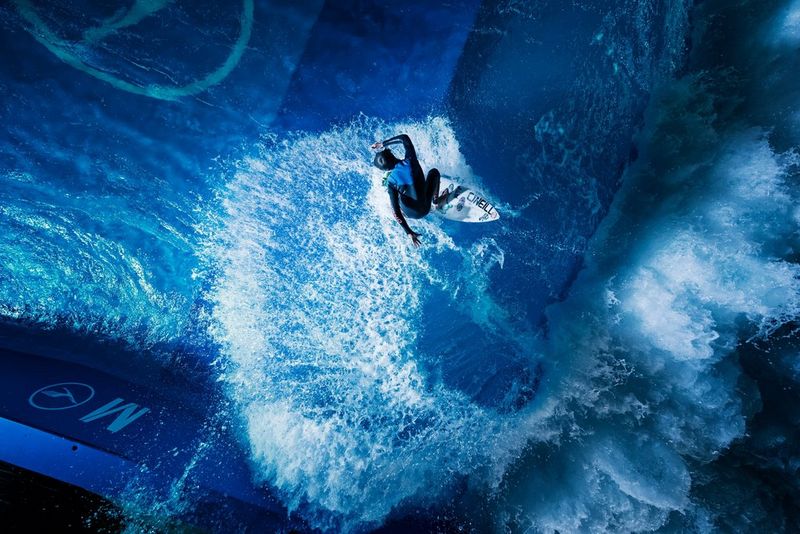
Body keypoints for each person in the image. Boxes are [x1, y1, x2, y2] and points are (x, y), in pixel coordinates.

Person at [371, 134, 448, 247]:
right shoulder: (410, 160)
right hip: (426, 207)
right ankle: (436, 202)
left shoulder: (391, 182)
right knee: (434, 172)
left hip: (410, 214)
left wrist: (409, 232)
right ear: (391, 153)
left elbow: (395, 212)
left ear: (386, 170)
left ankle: (414, 207)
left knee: (397, 195)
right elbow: (404, 138)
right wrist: (383, 144)